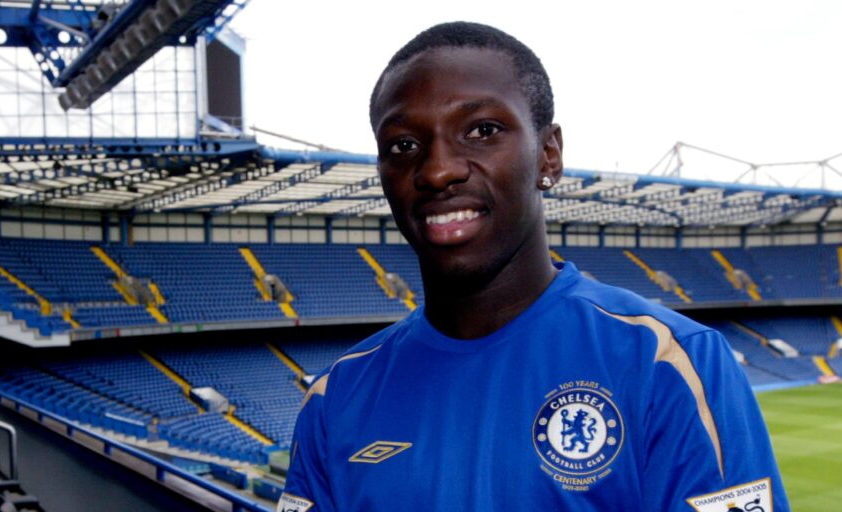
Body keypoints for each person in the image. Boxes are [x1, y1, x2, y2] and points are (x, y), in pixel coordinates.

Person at [278, 21, 788, 511]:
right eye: (403, 145)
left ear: (548, 154)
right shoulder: (335, 398)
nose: (436, 170)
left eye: (481, 130)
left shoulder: (668, 364)